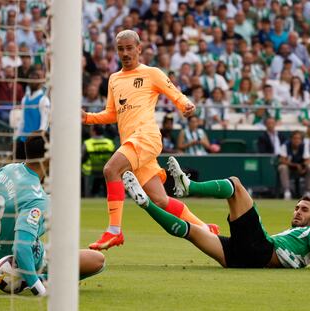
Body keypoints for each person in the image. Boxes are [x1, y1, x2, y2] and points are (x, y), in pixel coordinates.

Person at [82, 30, 218, 251]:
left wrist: (185, 105)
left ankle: (114, 231)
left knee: (110, 170)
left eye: (129, 48)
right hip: (133, 143)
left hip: (146, 136)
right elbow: (112, 113)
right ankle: (205, 228)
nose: (125, 53)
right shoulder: (114, 79)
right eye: (120, 49)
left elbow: (174, 92)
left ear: (139, 49)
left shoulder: (151, 73)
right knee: (161, 200)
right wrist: (87, 118)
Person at [122, 157, 310, 271]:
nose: (298, 211)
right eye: (297, 207)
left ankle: (189, 187)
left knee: (236, 184)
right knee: (190, 231)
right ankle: (146, 204)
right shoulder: (295, 238)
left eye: (304, 209)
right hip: (239, 258)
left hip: (261, 250)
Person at [0, 131, 105, 296]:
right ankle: (38, 278)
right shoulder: (35, 197)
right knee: (97, 260)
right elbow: (20, 247)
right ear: (48, 158)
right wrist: (38, 288)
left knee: (55, 202)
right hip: (16, 258)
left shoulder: (7, 169)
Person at [15, 70, 50, 160]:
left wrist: (39, 139)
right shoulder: (24, 99)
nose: (32, 81)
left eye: (35, 79)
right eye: (31, 79)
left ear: (40, 82)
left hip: (35, 142)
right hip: (23, 139)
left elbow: (44, 122)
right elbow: (22, 120)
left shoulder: (43, 99)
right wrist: (16, 136)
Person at [82, 125, 115, 197]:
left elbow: (81, 159)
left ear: (94, 131)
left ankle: (86, 195)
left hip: (90, 171)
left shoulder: (87, 143)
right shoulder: (109, 143)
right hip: (105, 171)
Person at [278, 131, 310, 200]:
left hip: (300, 168)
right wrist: (296, 165)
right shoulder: (285, 145)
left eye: (298, 138)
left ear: (301, 140)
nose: (296, 140)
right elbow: (282, 160)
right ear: (291, 139)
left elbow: (307, 160)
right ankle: (287, 191)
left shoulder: (304, 146)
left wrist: (304, 167)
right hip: (288, 168)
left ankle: (307, 192)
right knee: (283, 167)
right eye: (294, 138)